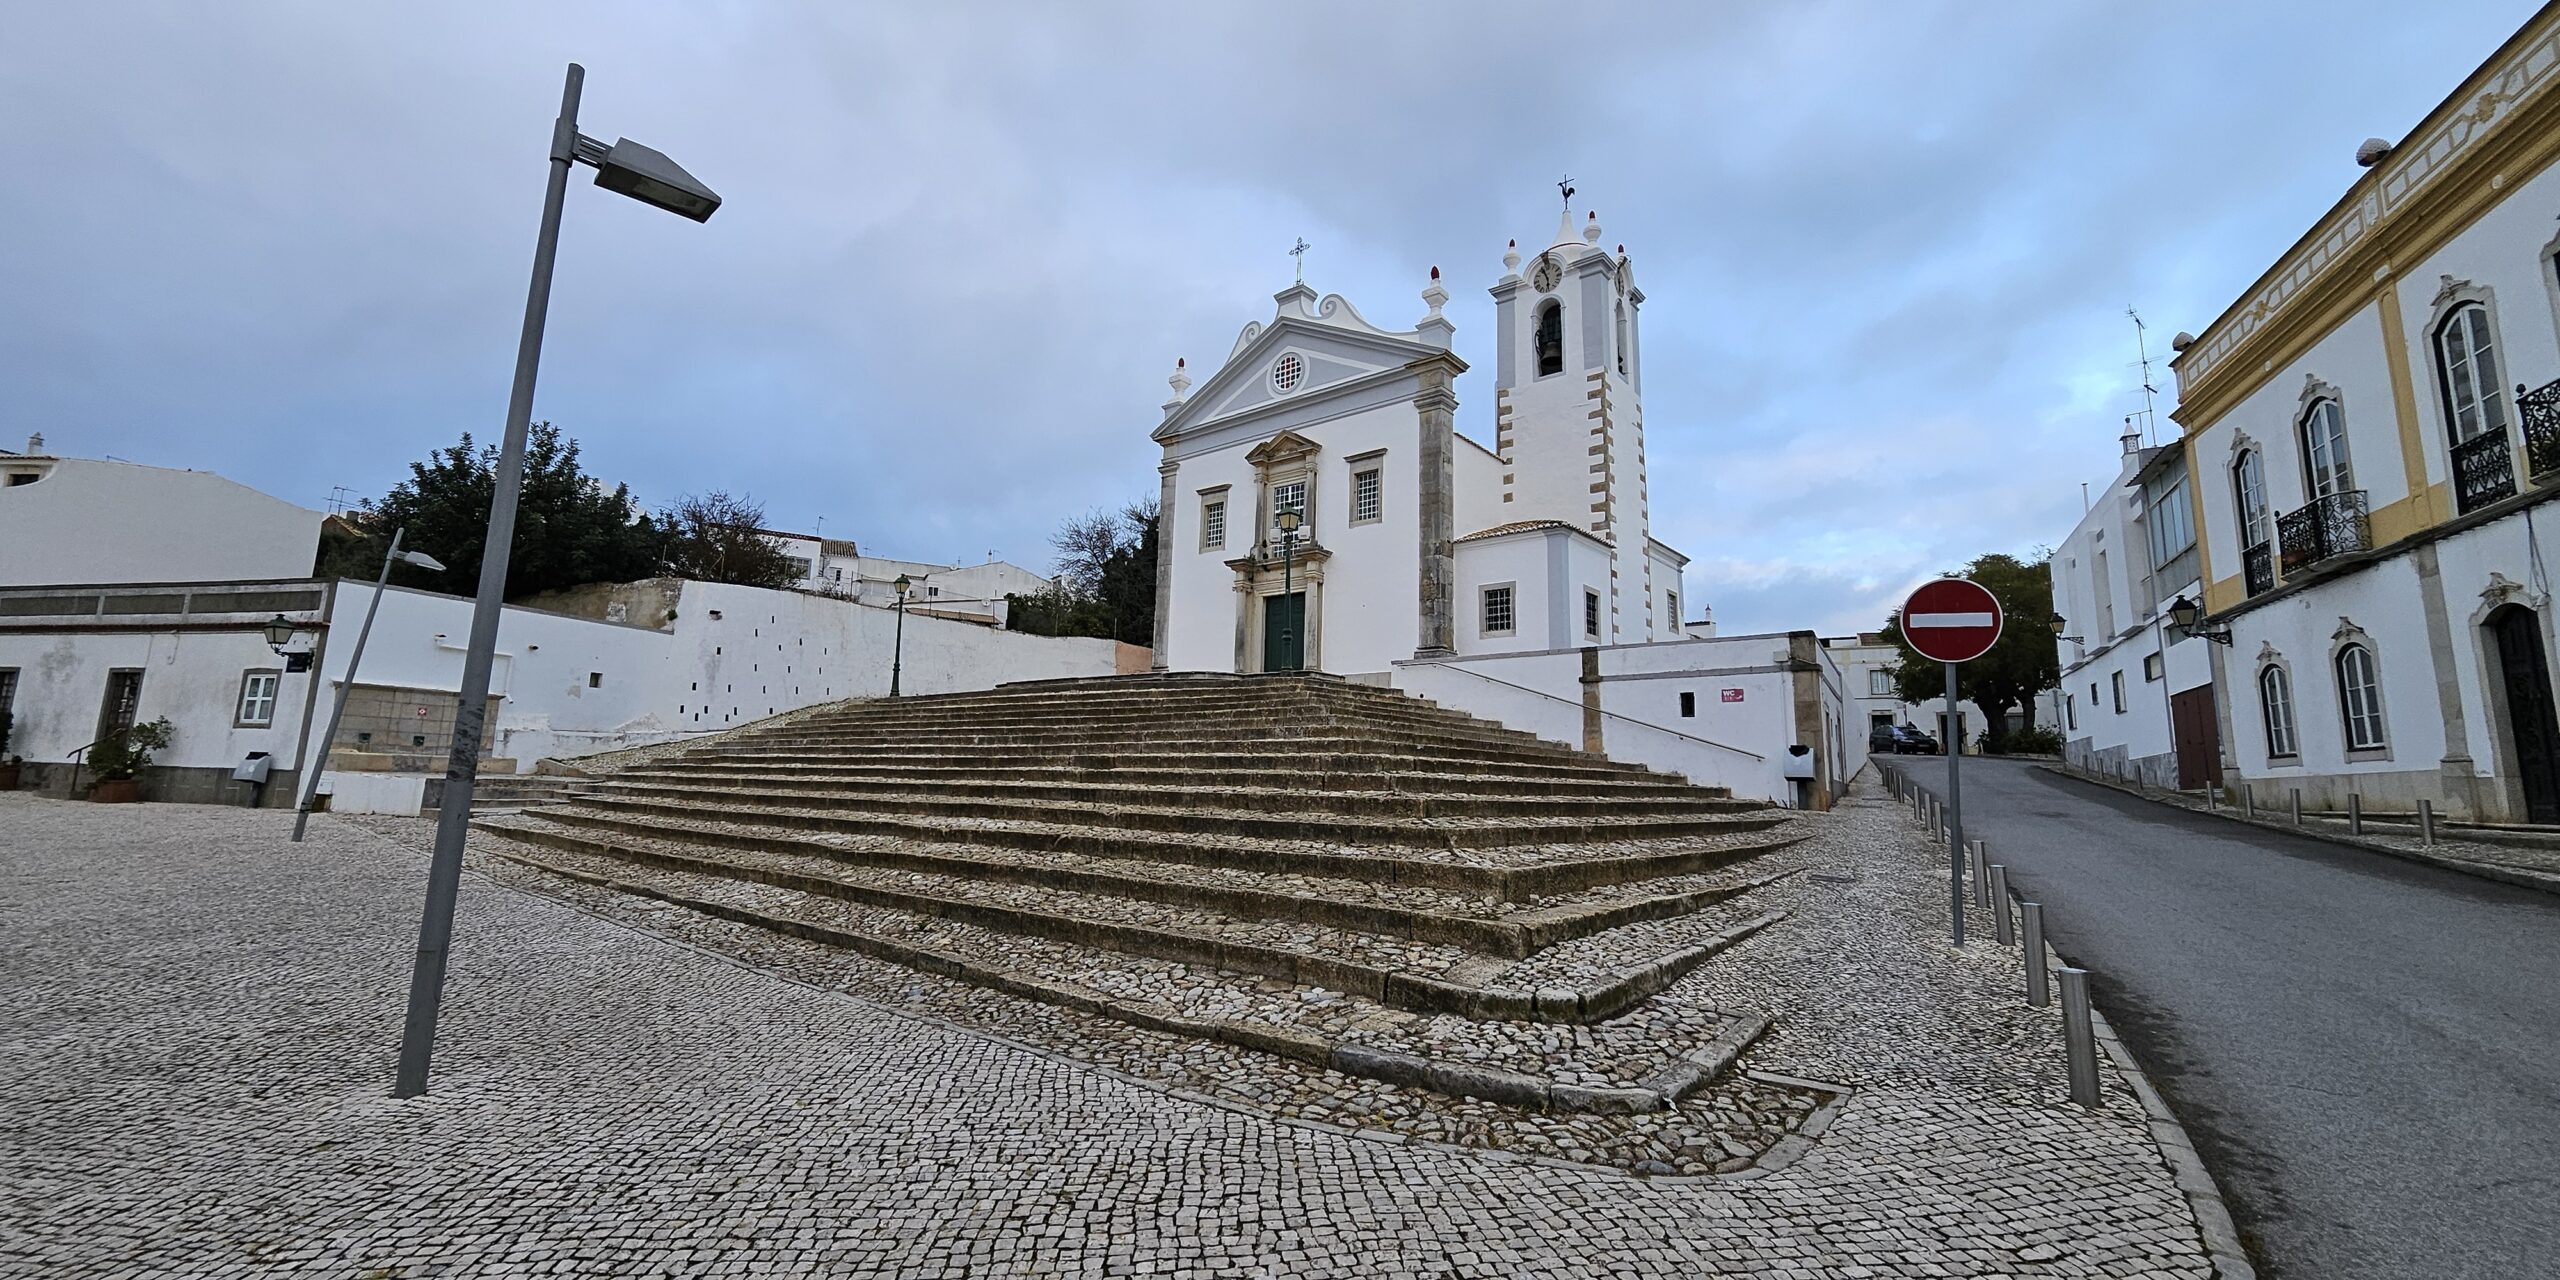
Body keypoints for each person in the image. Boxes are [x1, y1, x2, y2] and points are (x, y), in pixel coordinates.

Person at [1780, 743, 1816, 809]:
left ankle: (1802, 807)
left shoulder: (1790, 753)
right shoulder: (1807, 753)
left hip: (1797, 771)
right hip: (1804, 771)